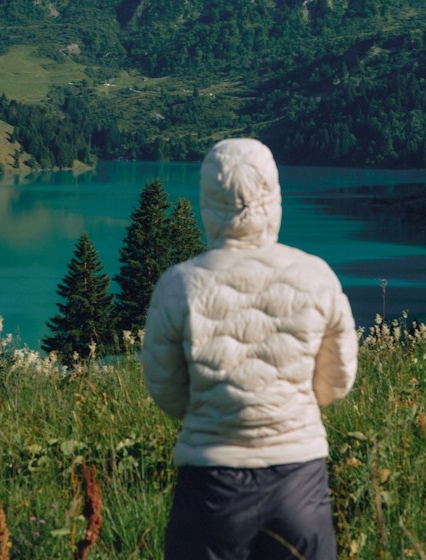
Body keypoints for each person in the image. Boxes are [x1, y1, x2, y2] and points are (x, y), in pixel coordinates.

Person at [142, 138, 358, 560]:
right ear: (274, 195)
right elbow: (337, 382)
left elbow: (165, 389)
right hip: (300, 480)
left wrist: (214, 412)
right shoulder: (317, 277)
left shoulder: (179, 284)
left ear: (207, 200)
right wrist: (287, 407)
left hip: (208, 486)